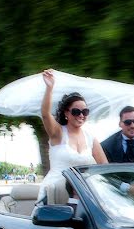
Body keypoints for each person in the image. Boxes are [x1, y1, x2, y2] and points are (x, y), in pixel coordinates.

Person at [37, 68, 109, 204]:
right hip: (55, 195)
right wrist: (49, 88)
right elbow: (45, 114)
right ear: (67, 113)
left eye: (85, 111)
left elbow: (105, 168)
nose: (81, 115)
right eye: (76, 111)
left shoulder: (91, 138)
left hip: (82, 195)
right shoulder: (58, 133)